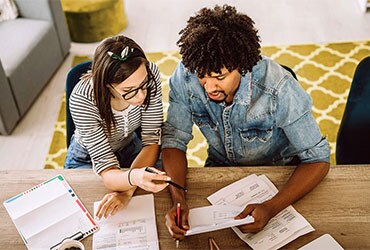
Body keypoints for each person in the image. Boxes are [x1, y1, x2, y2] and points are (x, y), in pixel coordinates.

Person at [161, 5, 330, 240]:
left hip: (278, 173)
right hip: (219, 168)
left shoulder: (279, 87)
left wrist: (271, 208)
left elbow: (318, 159)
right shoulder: (185, 75)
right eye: (203, 76)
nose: (209, 88)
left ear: (241, 65)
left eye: (220, 77)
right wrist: (178, 201)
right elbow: (174, 140)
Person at [64, 35, 170, 219]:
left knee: (164, 188)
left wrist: (126, 192)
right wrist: (134, 178)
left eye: (143, 85)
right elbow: (106, 169)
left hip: (130, 146)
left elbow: (152, 140)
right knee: (86, 211)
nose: (140, 97)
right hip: (87, 158)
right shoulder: (82, 99)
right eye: (129, 91)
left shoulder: (150, 73)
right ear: (106, 85)